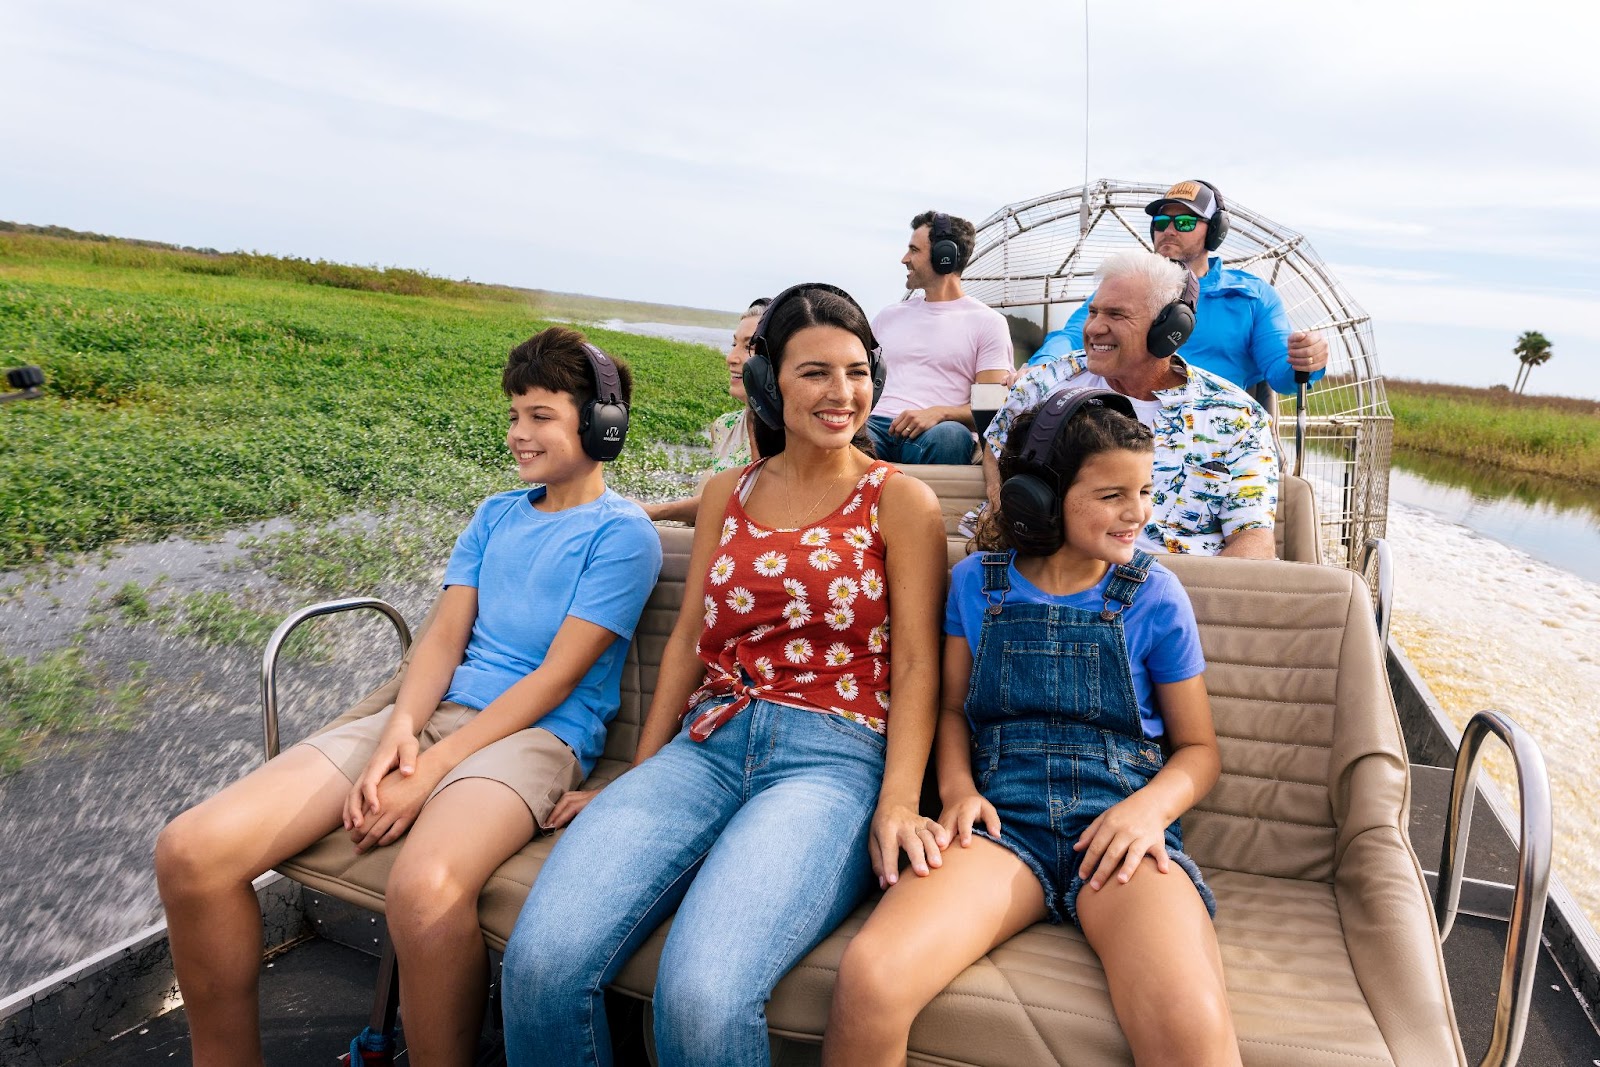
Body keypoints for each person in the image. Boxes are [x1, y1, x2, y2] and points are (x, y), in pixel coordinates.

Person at [153, 327, 662, 1067]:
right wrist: (402, 728)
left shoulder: (624, 534)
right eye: (514, 414)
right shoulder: (495, 515)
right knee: (191, 851)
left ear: (600, 423)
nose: (518, 433)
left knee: (424, 890)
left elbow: (555, 678)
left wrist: (430, 770)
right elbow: (442, 639)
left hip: (536, 735)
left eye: (540, 416)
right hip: (438, 714)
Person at [500, 284, 948, 1067]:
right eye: (815, 372)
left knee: (702, 997)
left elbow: (916, 665)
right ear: (772, 380)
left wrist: (899, 801)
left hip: (832, 760)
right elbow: (685, 644)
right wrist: (637, 776)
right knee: (538, 965)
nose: (841, 394)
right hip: (706, 744)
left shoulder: (900, 499)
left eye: (855, 371)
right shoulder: (725, 494)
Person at [824, 388, 1239, 1067]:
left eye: (1144, 489)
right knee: (871, 976)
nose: (1137, 512)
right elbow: (953, 709)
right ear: (1037, 497)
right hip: (999, 827)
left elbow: (1199, 750)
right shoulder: (975, 585)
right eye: (1112, 494)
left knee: (1190, 1019)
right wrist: (956, 790)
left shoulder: (1154, 594)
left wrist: (1145, 813)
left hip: (1118, 834)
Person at [980, 250, 1278, 558]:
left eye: (1116, 315)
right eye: (1093, 312)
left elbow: (1252, 543)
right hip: (1054, 569)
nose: (1094, 328)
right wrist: (1004, 506)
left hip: (1178, 585)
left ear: (1169, 329)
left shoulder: (1238, 417)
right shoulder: (1047, 383)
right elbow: (997, 445)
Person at [1028, 180, 1329, 396]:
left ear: (1215, 231)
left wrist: (1307, 360)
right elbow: (1071, 337)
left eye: (1185, 222)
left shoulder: (1251, 297)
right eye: (1161, 221)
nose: (1169, 230)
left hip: (1209, 435)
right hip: (1121, 430)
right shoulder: (1127, 283)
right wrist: (1038, 369)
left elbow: (1285, 377)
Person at [867, 210, 1013, 464]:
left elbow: (993, 408)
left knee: (950, 437)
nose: (904, 259)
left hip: (936, 432)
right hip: (874, 426)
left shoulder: (988, 323)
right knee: (844, 436)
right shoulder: (888, 317)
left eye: (914, 250)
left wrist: (940, 414)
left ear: (944, 257)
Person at [642, 297, 770, 523]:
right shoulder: (724, 427)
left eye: (749, 346)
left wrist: (654, 511)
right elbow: (716, 503)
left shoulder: (795, 432)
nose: (731, 358)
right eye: (734, 345)